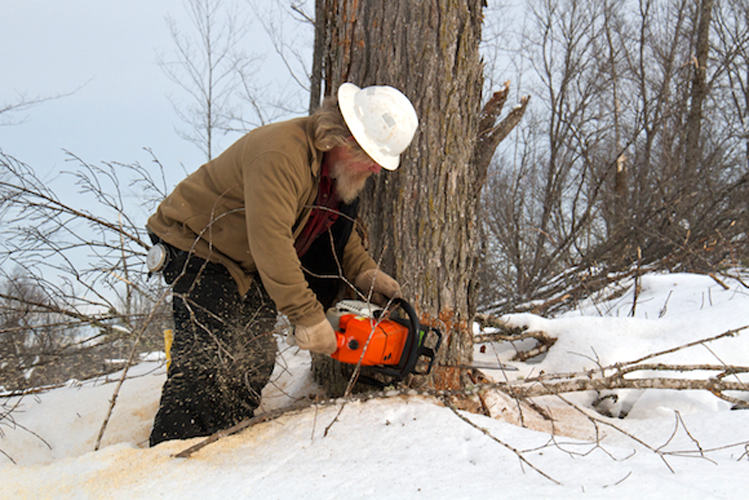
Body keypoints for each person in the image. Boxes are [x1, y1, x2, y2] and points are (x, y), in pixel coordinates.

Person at [146, 82, 419, 446]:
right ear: (343, 139)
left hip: (247, 262)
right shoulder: (281, 155)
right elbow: (271, 241)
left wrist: (363, 270)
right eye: (372, 157)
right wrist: (308, 316)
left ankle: (218, 449)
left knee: (252, 361)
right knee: (209, 361)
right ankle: (169, 458)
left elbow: (330, 229)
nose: (376, 169)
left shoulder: (332, 174)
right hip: (199, 245)